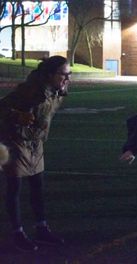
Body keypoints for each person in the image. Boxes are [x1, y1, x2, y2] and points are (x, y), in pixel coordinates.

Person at [0, 56, 71, 251]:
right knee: (14, 186)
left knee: (37, 184)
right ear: (49, 74)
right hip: (14, 139)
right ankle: (17, 233)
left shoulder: (58, 90)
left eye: (69, 74)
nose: (67, 79)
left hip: (34, 141)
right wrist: (18, 116)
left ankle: (41, 228)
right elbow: (2, 106)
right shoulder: (30, 90)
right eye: (63, 74)